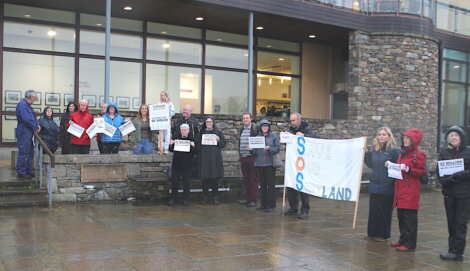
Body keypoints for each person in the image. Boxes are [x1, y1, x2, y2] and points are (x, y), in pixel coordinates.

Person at [437, 126, 470, 261]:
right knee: (451, 222)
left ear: (461, 138)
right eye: (451, 135)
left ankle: (457, 252)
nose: (454, 137)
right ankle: (452, 250)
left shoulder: (468, 152)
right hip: (449, 193)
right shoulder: (444, 152)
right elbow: (440, 172)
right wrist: (446, 180)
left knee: (460, 223)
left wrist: (458, 175)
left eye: (456, 135)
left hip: (464, 194)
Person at [391, 128, 426, 252]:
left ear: (413, 140)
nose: (405, 140)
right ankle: (403, 239)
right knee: (401, 216)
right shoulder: (402, 153)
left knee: (409, 218)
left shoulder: (419, 154)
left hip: (410, 190)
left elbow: (422, 172)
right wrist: (392, 166)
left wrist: (408, 169)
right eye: (404, 138)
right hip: (400, 189)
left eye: (408, 138)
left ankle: (409, 243)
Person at [364, 127, 400, 242]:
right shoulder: (375, 149)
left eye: (384, 134)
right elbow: (370, 165)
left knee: (385, 211)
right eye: (379, 134)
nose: (381, 136)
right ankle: (372, 232)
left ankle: (383, 234)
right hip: (375, 183)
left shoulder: (394, 151)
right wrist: (366, 154)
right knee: (374, 210)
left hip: (387, 184)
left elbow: (397, 167)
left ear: (389, 136)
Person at [285, 113, 317, 219]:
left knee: (303, 187)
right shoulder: (291, 130)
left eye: (293, 120)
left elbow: (315, 139)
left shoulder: (307, 129)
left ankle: (305, 210)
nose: (292, 122)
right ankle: (293, 207)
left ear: (299, 120)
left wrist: (304, 136)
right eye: (291, 121)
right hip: (293, 162)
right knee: (291, 185)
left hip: (304, 162)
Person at [252, 119, 280, 212]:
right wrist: (251, 149)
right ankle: (263, 205)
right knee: (263, 185)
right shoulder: (257, 137)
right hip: (260, 163)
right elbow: (255, 152)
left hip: (270, 164)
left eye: (266, 126)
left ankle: (271, 205)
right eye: (263, 126)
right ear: (260, 127)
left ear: (269, 127)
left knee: (271, 185)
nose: (265, 128)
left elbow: (277, 149)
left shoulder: (273, 136)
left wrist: (270, 148)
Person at [198, 116, 226, 205]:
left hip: (215, 158)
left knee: (215, 179)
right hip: (204, 158)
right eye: (207, 122)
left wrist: (218, 140)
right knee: (205, 179)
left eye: (210, 122)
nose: (209, 123)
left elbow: (223, 144)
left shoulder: (218, 132)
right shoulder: (201, 132)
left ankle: (215, 197)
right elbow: (198, 145)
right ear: (205, 123)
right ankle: (205, 196)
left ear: (213, 123)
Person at [168, 124, 196, 206]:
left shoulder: (192, 139)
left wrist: (193, 146)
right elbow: (171, 150)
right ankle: (173, 198)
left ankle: (185, 199)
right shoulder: (176, 138)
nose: (183, 131)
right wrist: (171, 144)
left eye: (185, 130)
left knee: (186, 182)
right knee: (174, 182)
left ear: (188, 131)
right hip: (176, 164)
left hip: (187, 165)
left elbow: (195, 152)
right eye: (182, 130)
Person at [15, 90, 40, 179]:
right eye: (35, 98)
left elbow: (33, 117)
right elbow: (26, 119)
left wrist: (37, 125)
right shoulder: (22, 105)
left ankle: (28, 171)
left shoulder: (28, 106)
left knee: (30, 152)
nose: (35, 99)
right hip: (24, 131)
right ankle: (21, 172)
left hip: (28, 131)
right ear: (31, 97)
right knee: (24, 152)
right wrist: (35, 127)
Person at [238, 112, 259, 207]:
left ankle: (253, 200)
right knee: (246, 179)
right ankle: (248, 199)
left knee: (253, 179)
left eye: (247, 118)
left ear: (251, 119)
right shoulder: (242, 129)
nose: (245, 120)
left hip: (252, 157)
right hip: (243, 157)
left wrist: (253, 149)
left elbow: (259, 142)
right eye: (244, 118)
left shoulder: (255, 129)